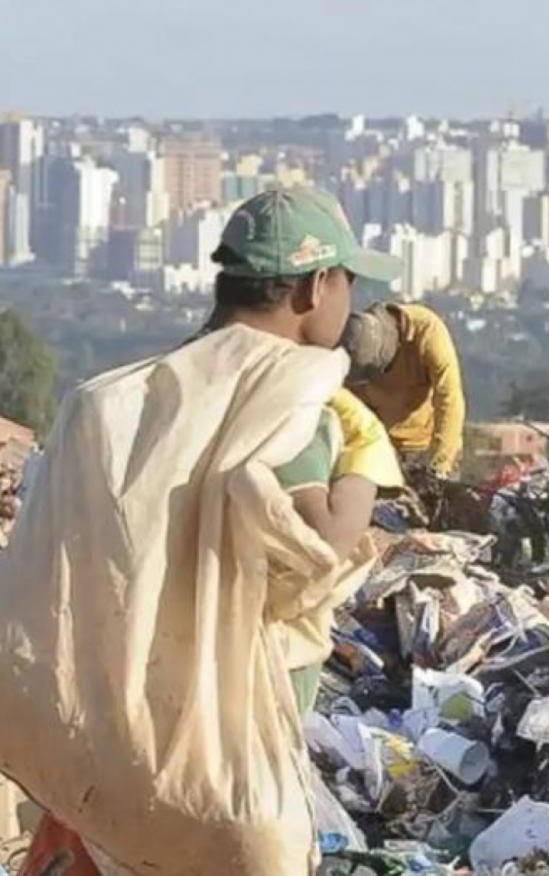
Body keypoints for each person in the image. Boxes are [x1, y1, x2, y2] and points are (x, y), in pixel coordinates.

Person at [0, 185, 402, 876]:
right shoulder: (290, 398)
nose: (351, 300)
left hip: (102, 736)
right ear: (312, 288)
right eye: (347, 281)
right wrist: (365, 458)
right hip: (221, 749)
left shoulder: (113, 399)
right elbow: (323, 547)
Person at [342, 302, 465, 479]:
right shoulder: (354, 344)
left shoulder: (427, 331)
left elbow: (449, 398)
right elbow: (347, 410)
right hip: (382, 448)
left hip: (429, 444)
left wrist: (441, 464)